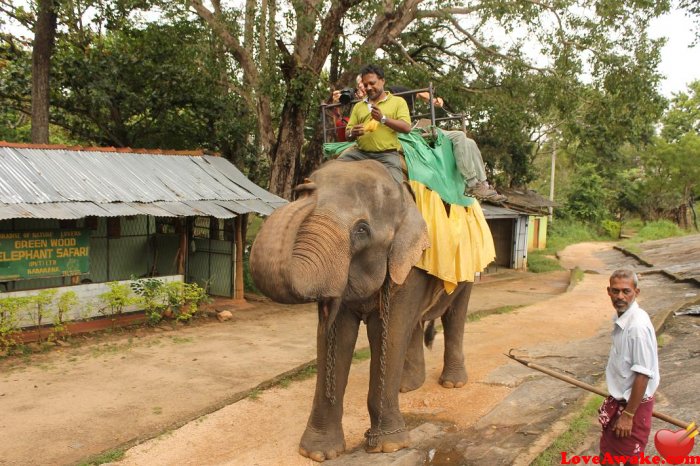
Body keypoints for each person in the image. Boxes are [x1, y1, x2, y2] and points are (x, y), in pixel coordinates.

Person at [598, 269, 659, 463]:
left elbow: (643, 374)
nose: (620, 297)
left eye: (626, 291)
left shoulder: (637, 327)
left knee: (620, 460)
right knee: (608, 459)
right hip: (621, 405)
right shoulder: (622, 320)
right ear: (608, 291)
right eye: (615, 291)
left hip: (632, 407)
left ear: (636, 292)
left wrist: (628, 415)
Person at [340, 64, 411, 184]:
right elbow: (348, 135)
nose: (368, 88)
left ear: (382, 81)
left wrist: (383, 119)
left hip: (386, 156)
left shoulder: (398, 102)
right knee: (334, 167)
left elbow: (406, 128)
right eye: (366, 84)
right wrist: (353, 132)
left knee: (395, 188)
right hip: (360, 154)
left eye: (372, 83)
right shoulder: (358, 106)